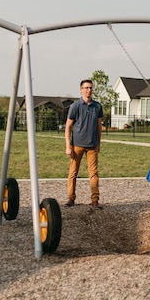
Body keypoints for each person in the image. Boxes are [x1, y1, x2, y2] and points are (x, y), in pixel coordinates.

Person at [64, 79, 103, 209]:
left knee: (93, 173)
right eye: (86, 88)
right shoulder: (75, 106)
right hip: (77, 145)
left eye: (90, 88)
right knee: (73, 173)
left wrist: (98, 143)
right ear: (81, 90)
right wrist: (68, 145)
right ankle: (71, 198)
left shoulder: (97, 106)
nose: (89, 90)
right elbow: (68, 126)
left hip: (92, 145)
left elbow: (99, 126)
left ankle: (95, 200)